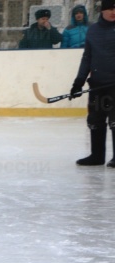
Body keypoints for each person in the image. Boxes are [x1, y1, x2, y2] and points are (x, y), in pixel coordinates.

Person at [69, 0, 115, 168]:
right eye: (110, 8)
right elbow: (87, 57)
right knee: (95, 119)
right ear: (102, 10)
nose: (113, 11)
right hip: (97, 84)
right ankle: (97, 155)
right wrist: (79, 82)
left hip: (114, 85)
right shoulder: (93, 31)